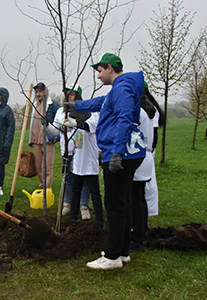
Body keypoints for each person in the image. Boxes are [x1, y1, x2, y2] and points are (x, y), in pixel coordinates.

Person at [64, 53, 145, 270]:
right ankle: (123, 251)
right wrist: (76, 106)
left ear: (109, 68)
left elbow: (125, 118)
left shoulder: (123, 88)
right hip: (128, 153)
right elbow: (101, 102)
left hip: (121, 153)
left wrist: (117, 152)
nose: (98, 76)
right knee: (124, 202)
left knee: (115, 205)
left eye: (99, 71)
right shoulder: (119, 88)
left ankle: (111, 257)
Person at [46, 85, 90, 218]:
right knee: (69, 178)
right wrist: (47, 125)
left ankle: (84, 206)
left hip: (81, 150)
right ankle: (67, 204)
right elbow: (56, 131)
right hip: (67, 151)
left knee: (84, 179)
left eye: (72, 93)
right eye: (68, 94)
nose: (69, 96)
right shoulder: (60, 111)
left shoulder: (84, 110)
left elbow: (90, 128)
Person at [63, 111, 104, 229]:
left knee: (95, 194)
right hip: (77, 165)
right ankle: (73, 218)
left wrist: (74, 123)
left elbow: (85, 127)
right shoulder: (77, 124)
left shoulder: (93, 119)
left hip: (90, 165)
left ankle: (99, 222)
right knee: (75, 192)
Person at [130, 93, 156, 252]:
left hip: (138, 157)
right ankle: (141, 233)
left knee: (136, 200)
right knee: (139, 198)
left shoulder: (138, 113)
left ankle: (138, 239)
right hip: (143, 158)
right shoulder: (144, 112)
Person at [28, 82, 60, 190]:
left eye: (40, 91)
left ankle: (48, 187)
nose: (38, 94)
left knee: (47, 166)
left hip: (48, 140)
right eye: (36, 92)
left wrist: (56, 138)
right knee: (38, 167)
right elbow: (32, 123)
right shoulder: (35, 105)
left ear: (45, 92)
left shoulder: (53, 105)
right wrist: (31, 139)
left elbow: (61, 123)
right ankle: (42, 184)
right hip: (36, 140)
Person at [143, 83, 165, 217]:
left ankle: (150, 211)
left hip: (147, 150)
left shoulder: (151, 109)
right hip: (144, 149)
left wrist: (150, 151)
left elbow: (154, 132)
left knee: (149, 182)